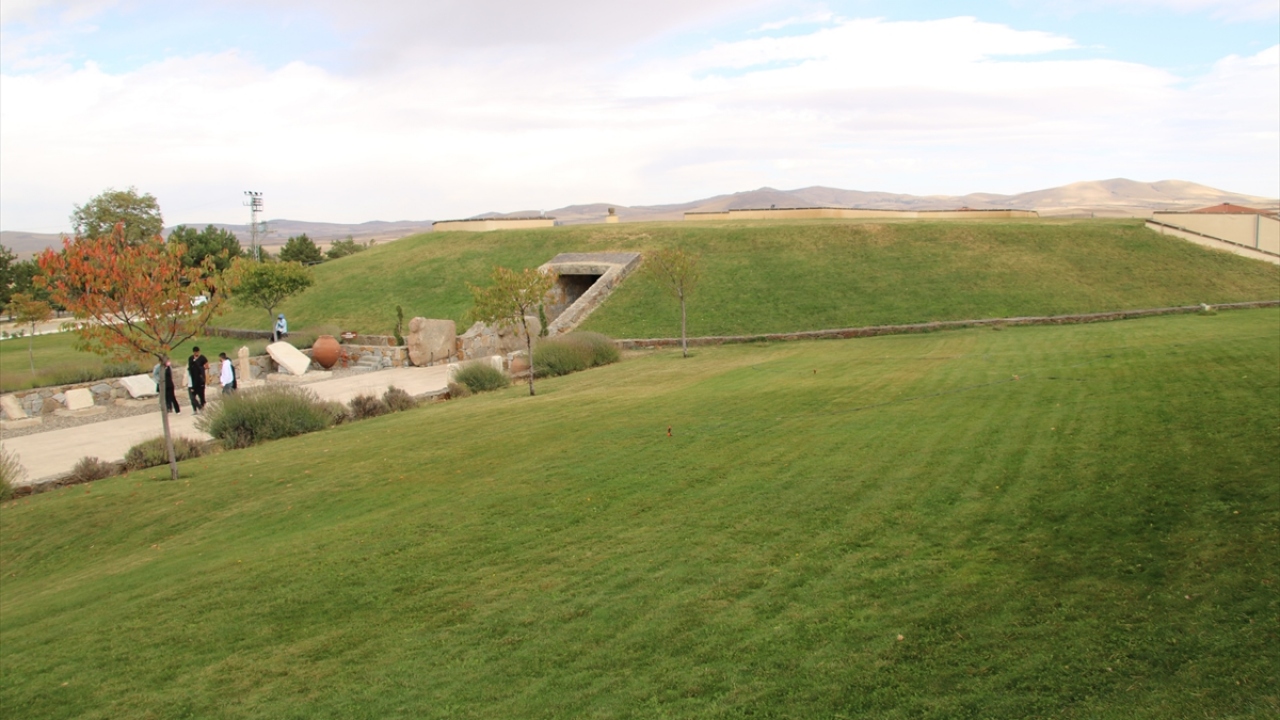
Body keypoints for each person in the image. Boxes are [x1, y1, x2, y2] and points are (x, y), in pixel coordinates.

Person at [187, 346, 208, 413]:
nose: (197, 353)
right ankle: (195, 409)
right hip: (194, 377)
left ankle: (202, 406)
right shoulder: (190, 358)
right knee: (193, 396)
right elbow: (189, 367)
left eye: (197, 352)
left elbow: (207, 365)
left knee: (201, 394)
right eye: (195, 352)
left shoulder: (202, 358)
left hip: (200, 378)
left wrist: (203, 369)